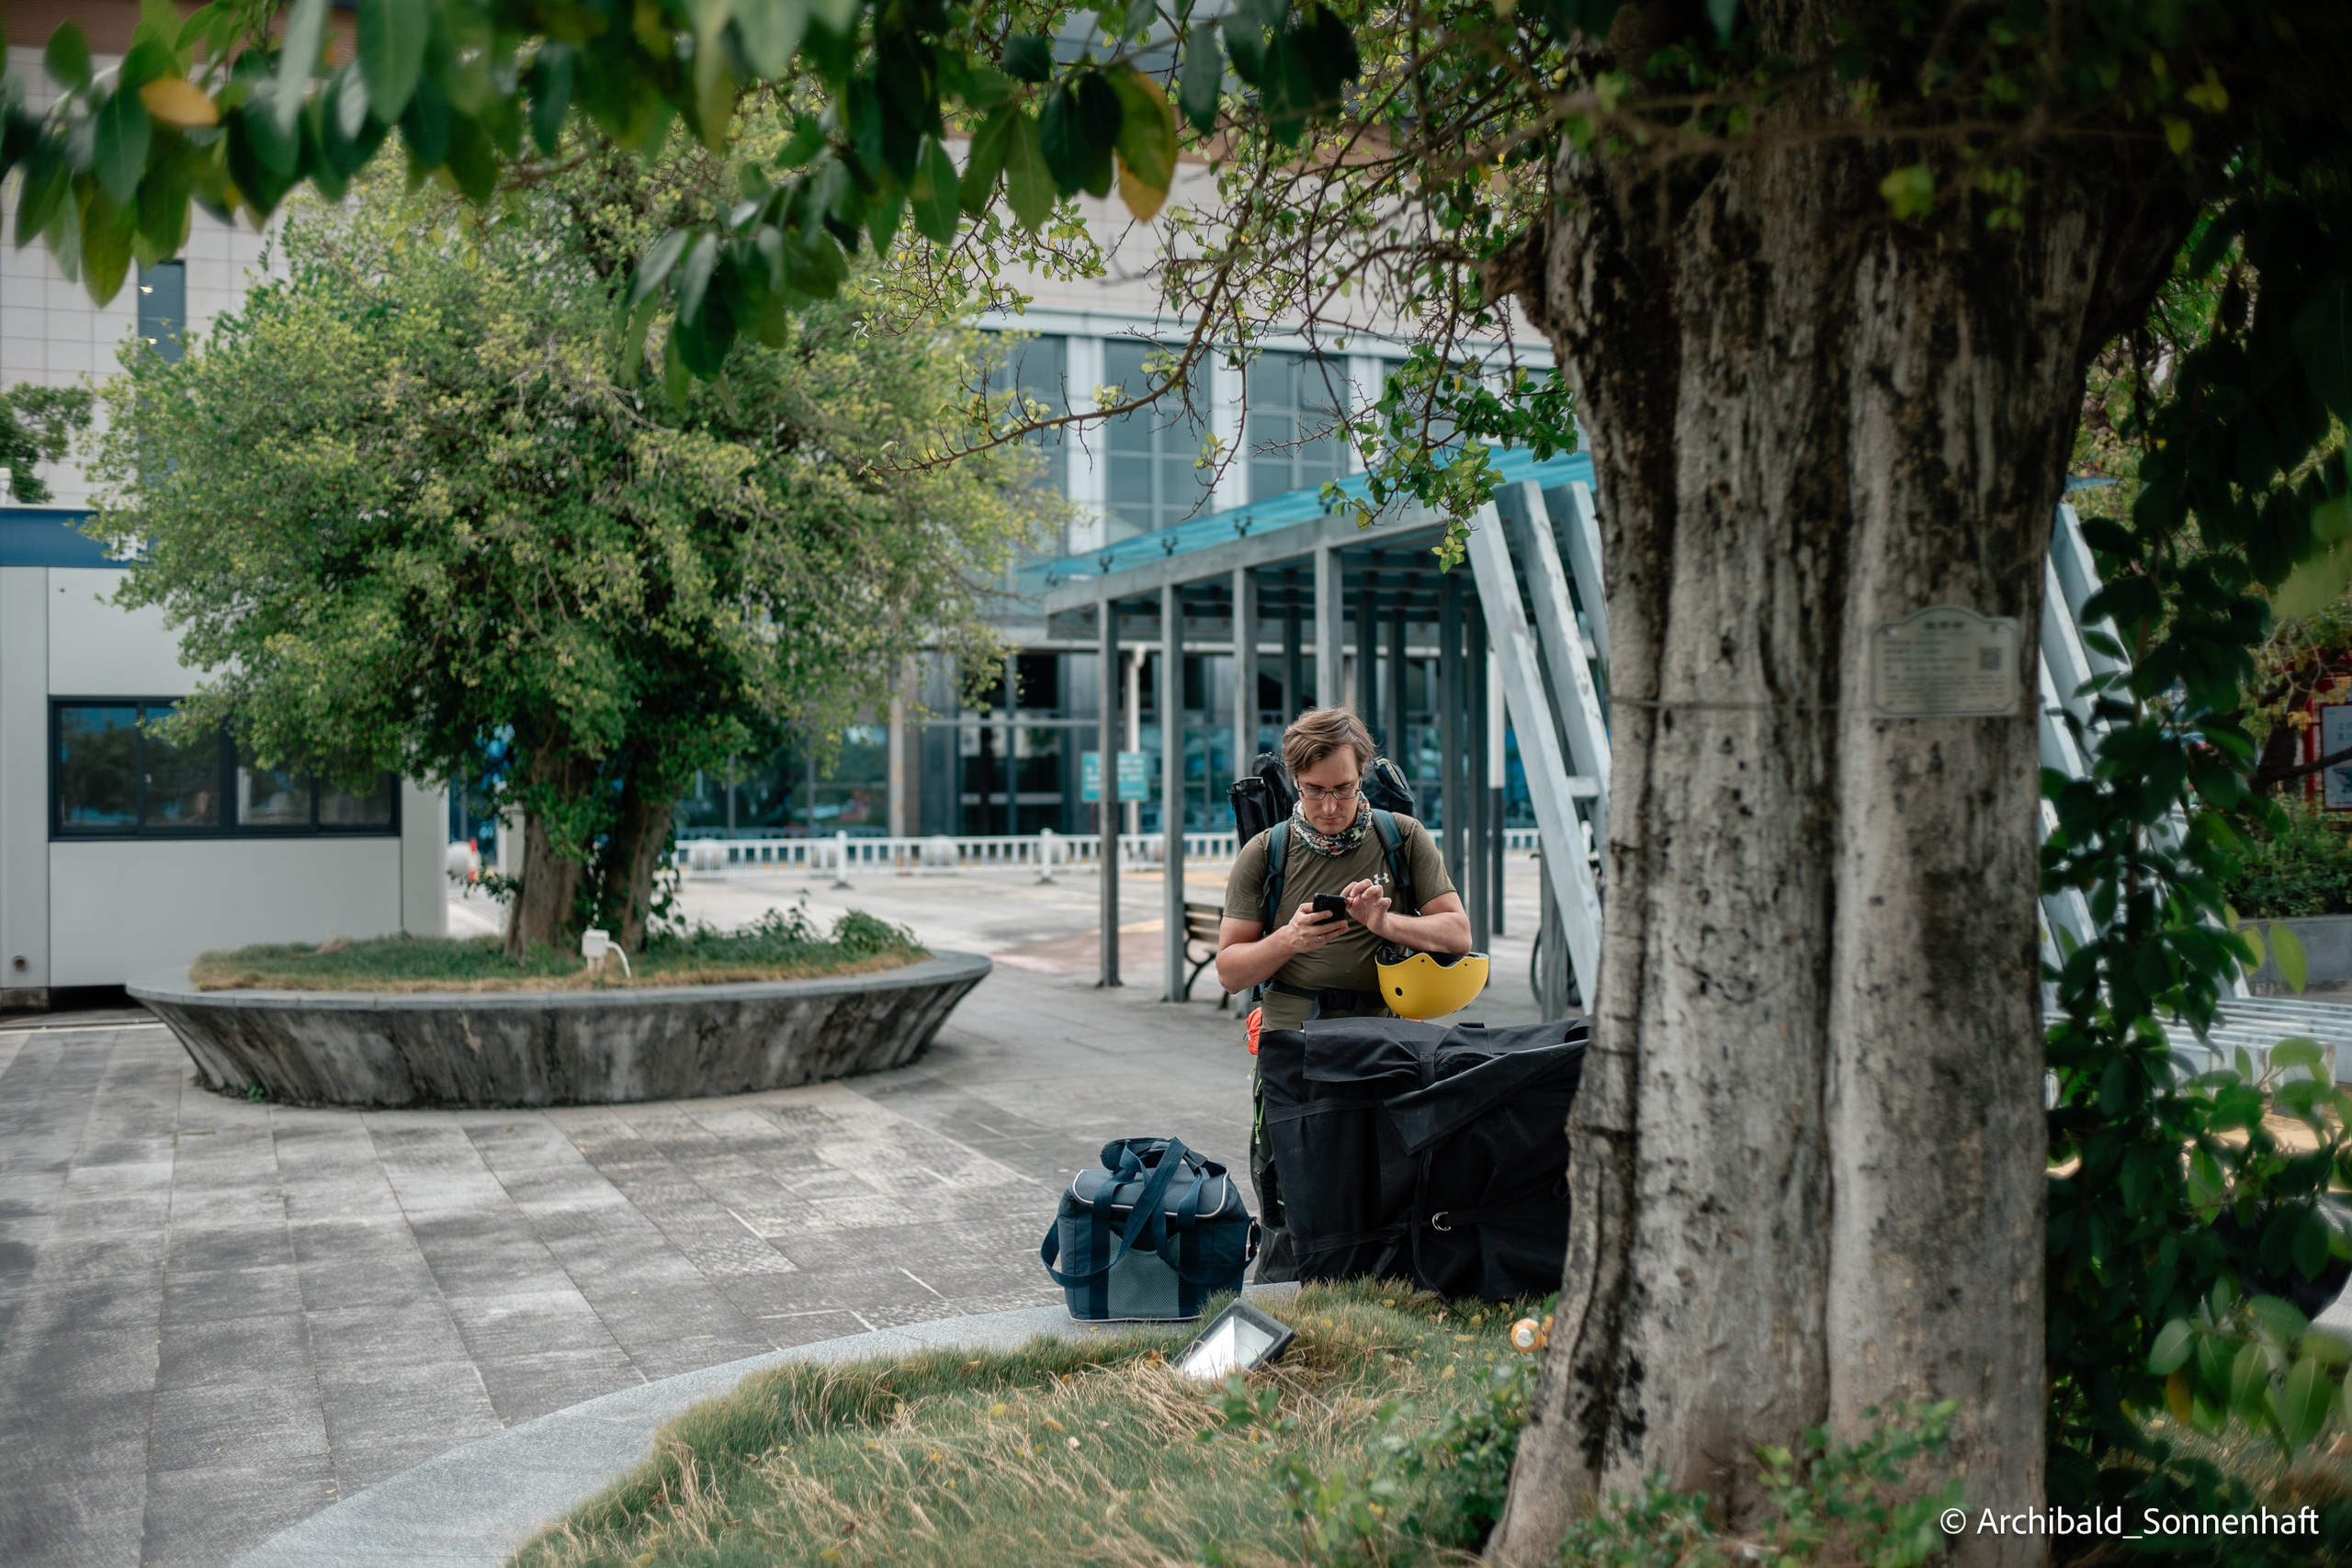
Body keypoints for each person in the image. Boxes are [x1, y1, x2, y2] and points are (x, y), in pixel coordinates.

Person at [1214, 706, 1470, 1279]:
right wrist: (1289, 939)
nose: (1330, 806)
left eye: (1345, 789)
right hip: (1293, 1045)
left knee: (1387, 1181)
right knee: (1288, 1191)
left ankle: (1383, 1296)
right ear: (1294, 779)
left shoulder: (1401, 838)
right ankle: (1284, 1306)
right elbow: (1230, 970)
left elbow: (1458, 933)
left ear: (1365, 774)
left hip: (1385, 1038)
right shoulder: (1265, 852)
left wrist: (1388, 924)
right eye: (1314, 791)